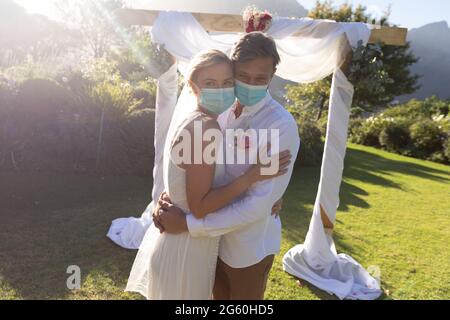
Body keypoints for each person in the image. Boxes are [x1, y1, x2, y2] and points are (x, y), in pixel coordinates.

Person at [125, 49, 292, 300]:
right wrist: (251, 177)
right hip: (187, 244)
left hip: (223, 246)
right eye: (211, 83)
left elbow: (202, 175)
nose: (223, 90)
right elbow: (200, 205)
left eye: (226, 83)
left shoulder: (213, 119)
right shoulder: (206, 125)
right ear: (193, 86)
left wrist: (273, 194)